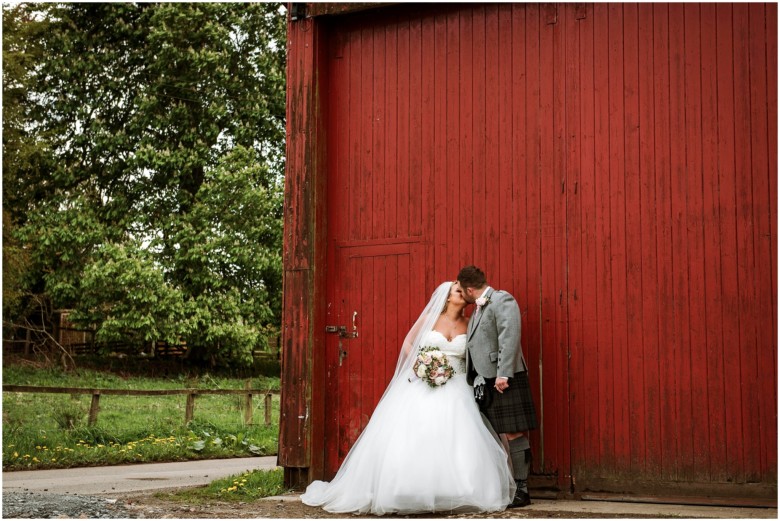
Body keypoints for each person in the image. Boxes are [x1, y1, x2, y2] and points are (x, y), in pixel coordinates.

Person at [301, 281, 516, 515]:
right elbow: (408, 343)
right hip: (425, 383)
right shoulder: (429, 320)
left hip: (457, 385)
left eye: (464, 291)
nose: (462, 293)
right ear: (446, 297)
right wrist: (421, 364)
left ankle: (456, 490)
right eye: (457, 290)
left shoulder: (470, 323)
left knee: (458, 435)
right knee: (417, 433)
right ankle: (408, 489)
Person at [457, 265, 538, 508]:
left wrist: (504, 374)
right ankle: (508, 485)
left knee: (514, 432)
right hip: (487, 379)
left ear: (470, 289)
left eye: (463, 291)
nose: (463, 295)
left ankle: (523, 490)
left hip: (504, 377)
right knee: (498, 433)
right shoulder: (479, 308)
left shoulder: (502, 299)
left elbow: (509, 335)